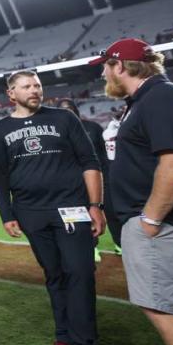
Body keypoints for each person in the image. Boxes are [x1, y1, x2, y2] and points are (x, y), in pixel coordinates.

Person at [0, 71, 116, 345]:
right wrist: (7, 214)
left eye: (37, 85)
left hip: (71, 209)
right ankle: (64, 340)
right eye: (27, 86)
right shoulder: (1, 128)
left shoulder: (64, 119)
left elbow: (90, 161)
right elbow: (1, 176)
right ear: (11, 94)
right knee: (55, 275)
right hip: (31, 213)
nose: (34, 90)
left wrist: (96, 206)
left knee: (81, 272)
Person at [90, 39, 173, 345]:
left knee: (163, 306)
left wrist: (150, 219)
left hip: (162, 226)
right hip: (162, 223)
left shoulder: (160, 97)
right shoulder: (146, 101)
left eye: (106, 66)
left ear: (122, 65)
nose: (103, 73)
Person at [58, 97, 119, 259]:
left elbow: (105, 153)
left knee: (112, 212)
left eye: (69, 109)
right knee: (80, 216)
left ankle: (119, 243)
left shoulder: (93, 128)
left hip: (101, 178)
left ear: (76, 111)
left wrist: (110, 174)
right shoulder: (55, 135)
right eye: (63, 110)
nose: (67, 112)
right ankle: (91, 247)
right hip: (75, 183)